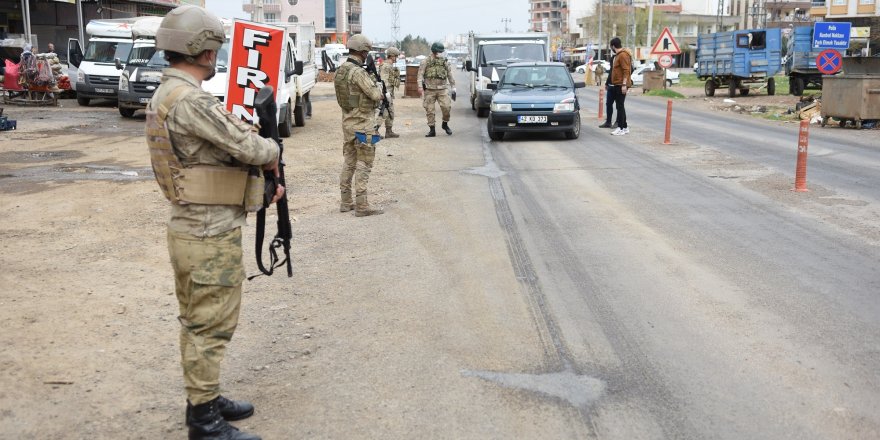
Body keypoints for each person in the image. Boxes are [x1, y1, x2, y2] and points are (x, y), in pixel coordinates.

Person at [146, 5, 283, 440]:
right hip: (207, 231)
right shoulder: (190, 100)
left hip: (194, 225)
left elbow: (214, 154)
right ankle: (204, 421)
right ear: (203, 51)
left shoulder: (168, 93)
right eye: (214, 48)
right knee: (211, 322)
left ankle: (204, 398)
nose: (216, 56)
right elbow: (252, 148)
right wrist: (269, 149)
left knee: (198, 318)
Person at [334, 34, 385, 217]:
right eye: (366, 52)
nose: (366, 55)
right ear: (362, 51)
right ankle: (362, 206)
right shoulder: (358, 72)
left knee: (349, 163)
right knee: (364, 163)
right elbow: (376, 95)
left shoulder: (341, 71)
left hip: (348, 123)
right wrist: (378, 85)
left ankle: (346, 202)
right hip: (363, 124)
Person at [418, 42, 455, 137]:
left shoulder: (444, 62)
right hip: (429, 90)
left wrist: (453, 87)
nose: (441, 53)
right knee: (430, 110)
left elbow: (450, 75)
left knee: (446, 107)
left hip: (442, 89)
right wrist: (419, 87)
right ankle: (432, 129)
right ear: (434, 51)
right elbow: (420, 75)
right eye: (439, 51)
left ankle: (445, 124)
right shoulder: (425, 61)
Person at [608, 37, 633, 135]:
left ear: (613, 46)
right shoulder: (619, 55)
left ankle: (621, 128)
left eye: (611, 46)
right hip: (617, 84)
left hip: (620, 84)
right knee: (620, 106)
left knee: (620, 106)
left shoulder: (622, 55)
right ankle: (625, 127)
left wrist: (624, 84)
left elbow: (626, 70)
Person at [378, 47, 402, 138]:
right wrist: (385, 94)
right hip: (386, 94)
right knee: (383, 112)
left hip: (389, 94)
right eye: (396, 56)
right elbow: (383, 81)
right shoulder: (385, 66)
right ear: (392, 56)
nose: (397, 58)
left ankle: (389, 131)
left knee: (390, 112)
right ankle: (375, 131)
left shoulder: (390, 66)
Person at [598, 53, 617, 129]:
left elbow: (629, 70)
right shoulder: (613, 59)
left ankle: (618, 122)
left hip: (618, 86)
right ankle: (608, 122)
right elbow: (611, 73)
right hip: (610, 86)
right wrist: (607, 83)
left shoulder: (622, 57)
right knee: (608, 104)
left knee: (619, 105)